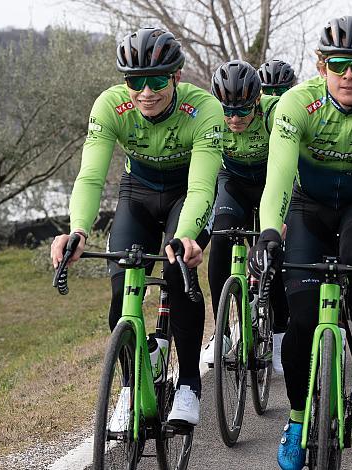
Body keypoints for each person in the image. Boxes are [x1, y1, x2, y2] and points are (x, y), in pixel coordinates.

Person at [248, 16, 352, 470]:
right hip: (308, 206)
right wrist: (268, 230)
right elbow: (279, 174)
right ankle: (299, 420)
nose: (349, 75)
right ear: (321, 66)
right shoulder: (296, 105)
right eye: (339, 64)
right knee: (301, 318)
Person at [50, 28, 223, 427]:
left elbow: (201, 186)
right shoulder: (110, 105)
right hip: (138, 193)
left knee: (180, 277)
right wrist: (78, 230)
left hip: (187, 194)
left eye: (157, 80)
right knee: (122, 289)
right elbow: (90, 178)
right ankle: (131, 385)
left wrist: (187, 236)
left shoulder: (204, 109)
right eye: (135, 81)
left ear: (176, 77)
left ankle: (190, 386)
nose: (146, 91)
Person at [202, 60, 290, 375]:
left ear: (258, 101)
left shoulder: (275, 112)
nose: (234, 118)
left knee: (276, 254)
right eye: (227, 111)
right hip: (234, 184)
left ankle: (280, 336)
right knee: (221, 239)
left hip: (272, 182)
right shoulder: (211, 117)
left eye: (242, 111)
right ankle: (222, 332)